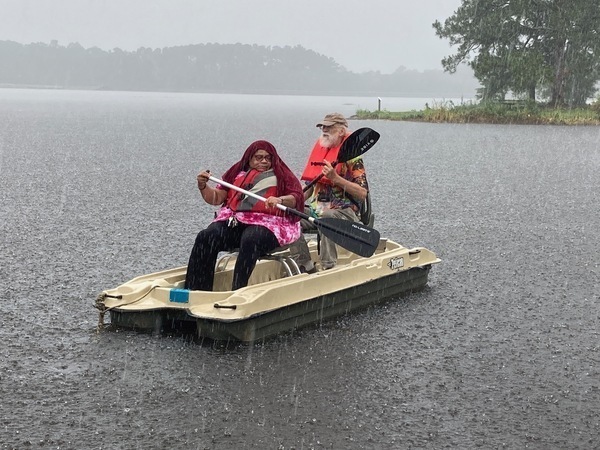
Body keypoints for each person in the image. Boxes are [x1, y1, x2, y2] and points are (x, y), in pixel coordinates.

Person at [184, 140, 304, 291]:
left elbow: (296, 198)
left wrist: (280, 199)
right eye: (258, 157)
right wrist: (203, 185)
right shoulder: (236, 174)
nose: (264, 161)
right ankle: (196, 288)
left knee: (250, 238)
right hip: (236, 222)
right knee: (206, 236)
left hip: (270, 226)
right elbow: (216, 198)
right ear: (249, 158)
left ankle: (238, 289)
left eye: (268, 158)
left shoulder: (282, 176)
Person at [291, 113, 369, 272]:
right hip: (317, 209)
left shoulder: (353, 157)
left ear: (341, 131)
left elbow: (362, 193)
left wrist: (336, 178)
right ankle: (305, 265)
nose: (324, 130)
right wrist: (290, 201)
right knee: (289, 216)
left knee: (327, 218)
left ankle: (328, 267)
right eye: (322, 127)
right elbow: (309, 189)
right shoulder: (321, 151)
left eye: (329, 127)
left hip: (344, 212)